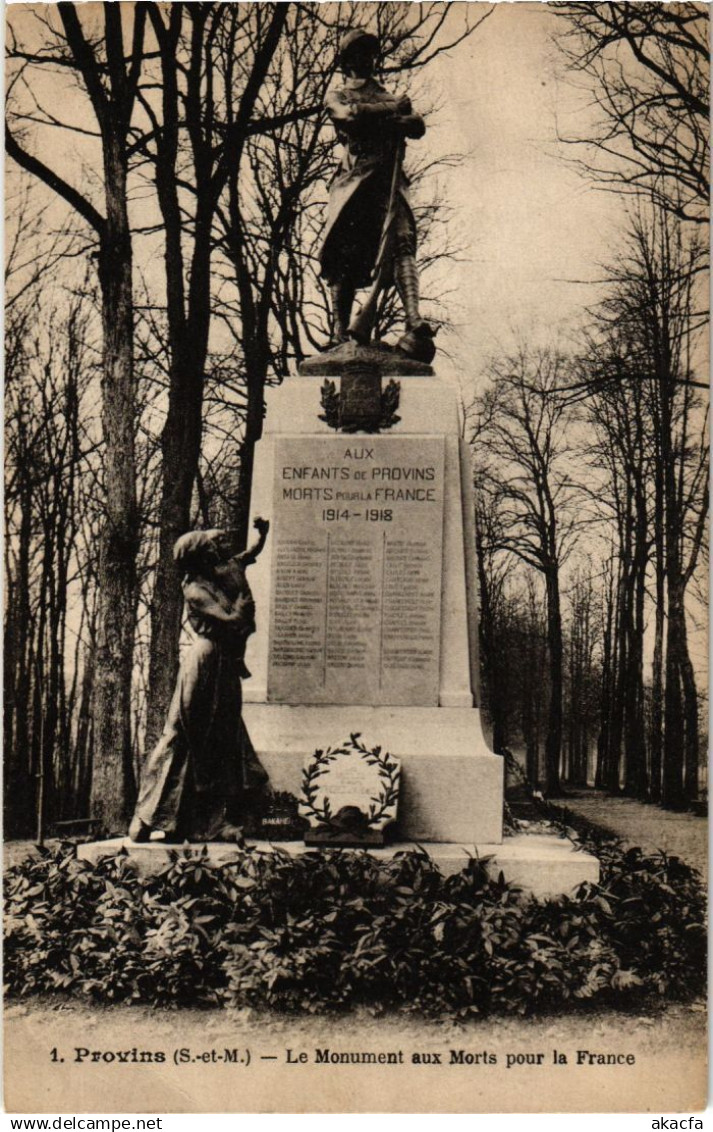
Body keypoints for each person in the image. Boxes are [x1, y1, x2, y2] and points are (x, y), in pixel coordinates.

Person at [128, 521, 270, 843]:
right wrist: (245, 599)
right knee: (185, 735)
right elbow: (233, 620)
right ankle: (149, 817)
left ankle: (209, 821)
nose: (216, 553)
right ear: (198, 558)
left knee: (222, 737)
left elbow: (241, 570)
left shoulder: (214, 579)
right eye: (209, 550)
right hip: (205, 663)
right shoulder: (196, 590)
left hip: (223, 665)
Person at [319, 28, 435, 355]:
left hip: (389, 178)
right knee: (344, 255)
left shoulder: (387, 95)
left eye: (369, 53)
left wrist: (404, 119)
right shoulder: (338, 95)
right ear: (347, 61)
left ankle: (414, 320)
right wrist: (393, 112)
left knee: (402, 242)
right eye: (357, 54)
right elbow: (350, 116)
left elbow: (417, 125)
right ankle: (340, 330)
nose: (365, 59)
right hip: (354, 181)